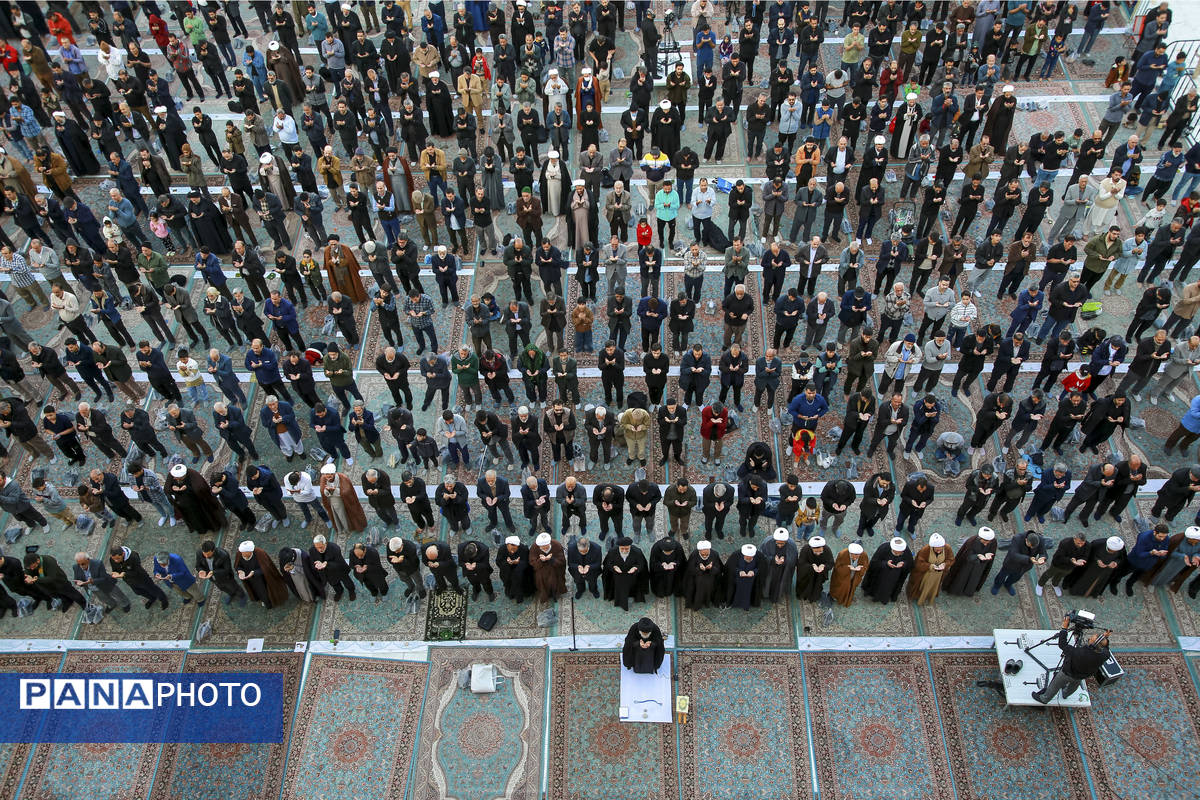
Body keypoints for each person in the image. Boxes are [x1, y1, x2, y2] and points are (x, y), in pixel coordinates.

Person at [1031, 621, 1111, 704]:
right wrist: (1105, 637)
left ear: (1092, 645)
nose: (1089, 639)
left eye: (1091, 639)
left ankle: (1044, 699)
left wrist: (1064, 629)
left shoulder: (1078, 652)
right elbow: (1106, 647)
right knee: (1074, 686)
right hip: (1082, 675)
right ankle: (1065, 694)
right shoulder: (1105, 655)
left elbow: (1062, 644)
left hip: (1067, 673)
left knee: (1055, 685)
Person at [234, 540, 288, 609]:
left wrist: (254, 572)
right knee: (255, 590)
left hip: (263, 578)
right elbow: (238, 565)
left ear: (250, 552)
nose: (242, 554)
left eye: (244, 553)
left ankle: (269, 603)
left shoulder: (260, 554)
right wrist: (240, 571)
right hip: (250, 579)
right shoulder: (239, 554)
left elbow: (267, 568)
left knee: (265, 592)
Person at [862, 538, 914, 605]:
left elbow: (910, 564)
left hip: (894, 578)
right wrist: (886, 563)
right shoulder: (884, 548)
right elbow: (874, 562)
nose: (898, 554)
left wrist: (903, 564)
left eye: (900, 552)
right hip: (880, 575)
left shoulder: (906, 551)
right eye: (896, 552)